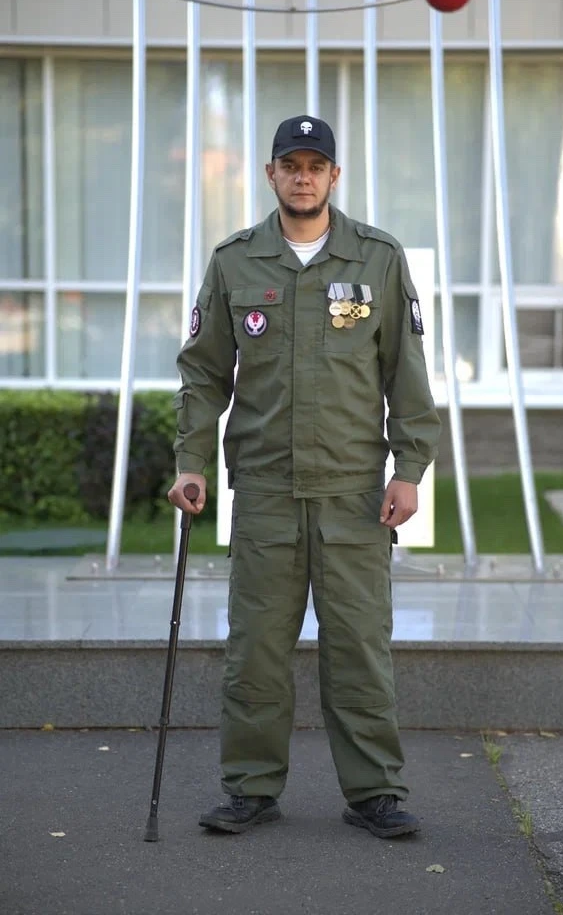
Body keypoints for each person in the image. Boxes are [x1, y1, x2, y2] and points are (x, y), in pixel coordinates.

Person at [168, 115, 441, 839]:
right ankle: (250, 788)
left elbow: (405, 373)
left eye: (315, 166)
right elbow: (202, 373)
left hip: (354, 492)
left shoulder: (377, 258)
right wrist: (191, 463)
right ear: (271, 174)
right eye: (290, 165)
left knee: (359, 650)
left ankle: (375, 793)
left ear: (333, 176)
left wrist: (410, 470)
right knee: (255, 653)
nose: (302, 177)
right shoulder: (235, 261)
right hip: (264, 491)